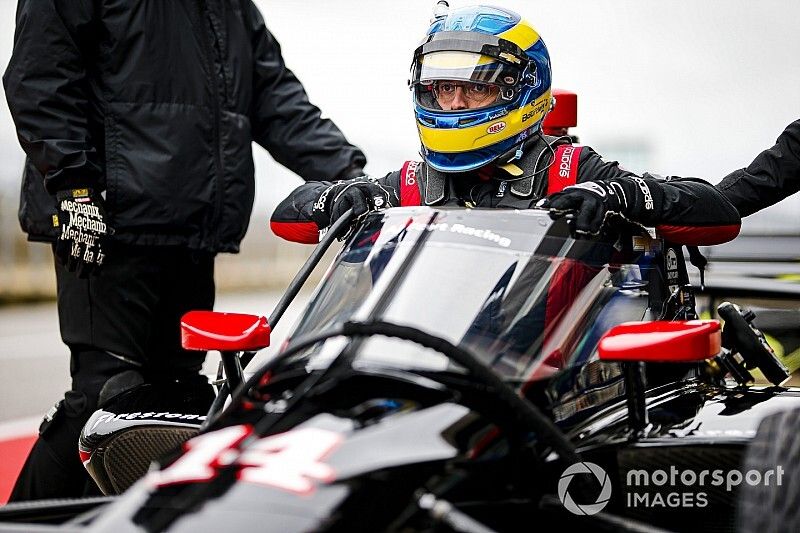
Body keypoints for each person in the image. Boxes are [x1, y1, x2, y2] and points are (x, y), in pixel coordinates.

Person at [3, 0, 366, 501]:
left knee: (175, 404)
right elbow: (39, 74)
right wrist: (74, 188)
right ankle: (23, 518)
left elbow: (278, 100)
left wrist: (354, 178)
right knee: (103, 398)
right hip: (106, 222)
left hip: (191, 226)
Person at [270, 4, 739, 246]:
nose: (454, 104)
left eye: (476, 88)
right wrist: (338, 197)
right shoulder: (412, 185)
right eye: (442, 89)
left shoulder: (572, 171)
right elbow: (288, 212)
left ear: (525, 90)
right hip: (431, 373)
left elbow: (717, 209)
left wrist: (620, 195)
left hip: (553, 389)